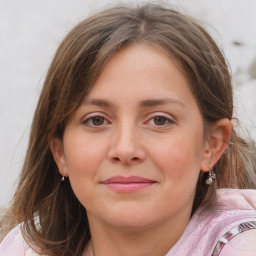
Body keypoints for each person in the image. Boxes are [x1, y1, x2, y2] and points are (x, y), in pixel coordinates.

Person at [0, 3, 256, 256]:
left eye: (159, 120)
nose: (125, 149)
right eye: (96, 120)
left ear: (211, 145)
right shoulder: (23, 248)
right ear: (60, 153)